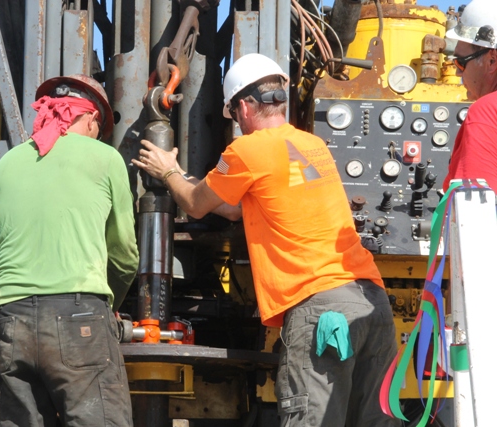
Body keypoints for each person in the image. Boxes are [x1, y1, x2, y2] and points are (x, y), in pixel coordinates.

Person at [133, 53, 400, 427]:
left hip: (322, 309)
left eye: (233, 115)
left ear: (243, 106)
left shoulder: (246, 150)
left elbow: (195, 205)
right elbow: (233, 208)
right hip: (371, 303)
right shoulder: (312, 146)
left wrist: (169, 171)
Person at [0, 74, 139, 427]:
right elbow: (124, 252)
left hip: (11, 322)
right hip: (78, 317)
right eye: (97, 129)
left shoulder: (5, 165)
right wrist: (109, 306)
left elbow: (0, 234)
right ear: (88, 119)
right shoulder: (106, 158)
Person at [443, 0, 497, 190]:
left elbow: (475, 212)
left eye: (461, 62)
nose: (458, 73)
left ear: (492, 60)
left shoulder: (488, 111)